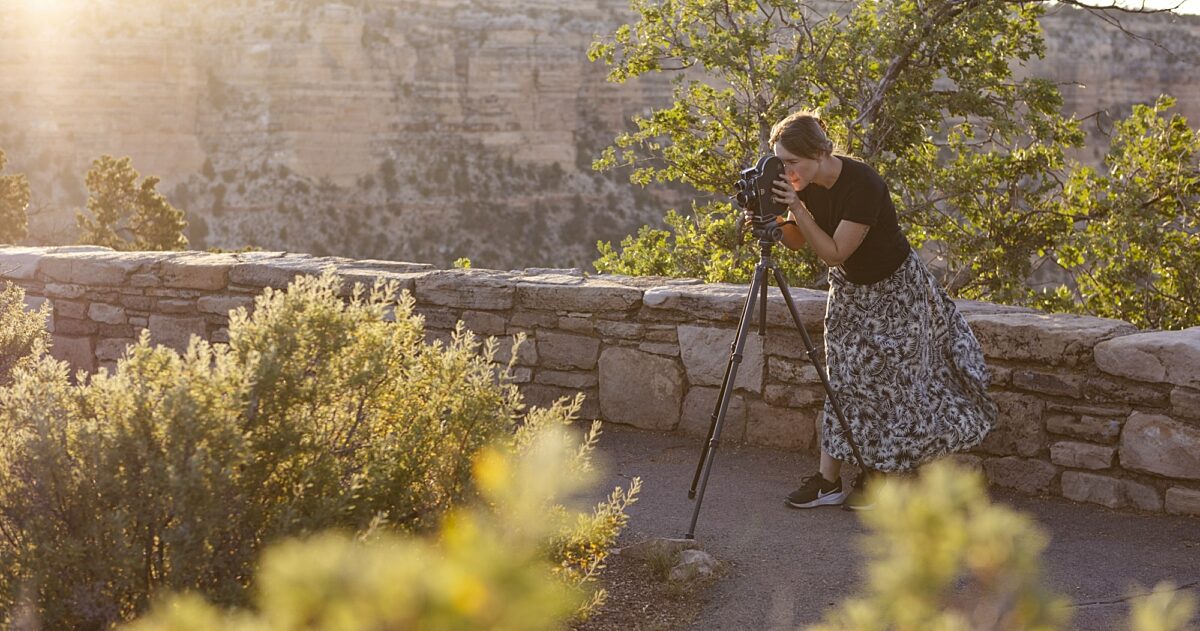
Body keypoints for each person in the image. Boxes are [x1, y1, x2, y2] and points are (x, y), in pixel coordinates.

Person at [744, 111, 997, 511]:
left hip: (897, 291)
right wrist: (772, 219)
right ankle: (828, 481)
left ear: (820, 152)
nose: (786, 171)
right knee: (841, 379)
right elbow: (798, 240)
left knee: (893, 384)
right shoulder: (803, 184)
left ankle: (879, 478)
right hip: (850, 289)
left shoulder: (864, 184)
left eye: (792, 161)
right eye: (781, 162)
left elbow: (834, 252)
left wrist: (797, 207)